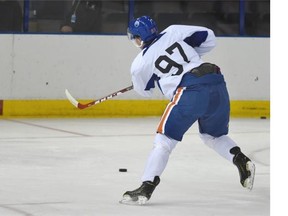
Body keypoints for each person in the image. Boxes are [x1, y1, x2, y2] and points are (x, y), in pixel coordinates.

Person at [120, 15, 256, 205]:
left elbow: (145, 92)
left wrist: (149, 80)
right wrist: (191, 55)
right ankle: (241, 160)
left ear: (139, 38)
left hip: (190, 89)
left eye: (134, 37)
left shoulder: (139, 64)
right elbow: (209, 37)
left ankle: (146, 186)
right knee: (212, 136)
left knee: (163, 141)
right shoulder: (174, 30)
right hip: (215, 80)